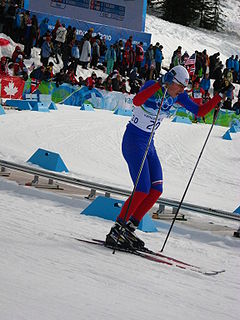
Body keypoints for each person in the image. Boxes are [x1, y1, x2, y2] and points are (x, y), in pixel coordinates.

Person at [105, 65, 231, 249]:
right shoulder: (152, 86)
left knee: (156, 190)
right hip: (133, 141)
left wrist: (219, 96)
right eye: (179, 86)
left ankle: (129, 227)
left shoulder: (178, 96)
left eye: (183, 88)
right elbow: (138, 101)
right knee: (141, 189)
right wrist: (158, 84)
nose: (181, 90)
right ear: (170, 81)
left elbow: (200, 112)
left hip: (149, 144)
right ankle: (117, 230)